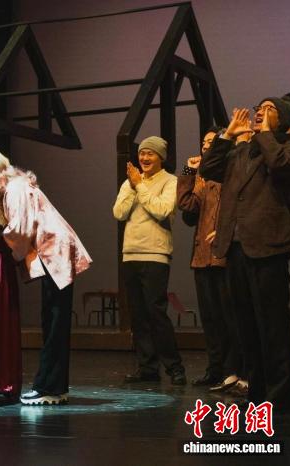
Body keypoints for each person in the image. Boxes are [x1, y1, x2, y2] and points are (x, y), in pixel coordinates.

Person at [200, 98, 290, 407]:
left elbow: (280, 166)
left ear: (288, 119)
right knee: (245, 325)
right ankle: (257, 390)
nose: (260, 112)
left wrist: (265, 133)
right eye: (259, 108)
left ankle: (281, 392)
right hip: (236, 248)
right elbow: (208, 169)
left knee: (272, 325)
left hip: (268, 247)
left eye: (269, 109)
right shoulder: (242, 151)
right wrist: (227, 136)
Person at [0, 147, 92, 405]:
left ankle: (48, 387)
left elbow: (20, 230)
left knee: (55, 321)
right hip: (53, 251)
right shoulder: (15, 186)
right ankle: (55, 385)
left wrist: (4, 236)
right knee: (53, 320)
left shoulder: (15, 189)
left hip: (53, 252)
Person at [112, 136, 186, 385]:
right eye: (142, 153)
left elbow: (162, 210)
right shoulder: (131, 182)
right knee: (138, 314)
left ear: (161, 157)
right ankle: (148, 368)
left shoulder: (170, 181)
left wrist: (140, 186)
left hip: (155, 254)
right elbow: (119, 212)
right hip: (130, 253)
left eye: (150, 154)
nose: (144, 158)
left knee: (156, 312)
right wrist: (134, 186)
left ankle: (175, 367)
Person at [177, 128, 244, 391]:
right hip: (202, 257)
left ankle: (233, 370)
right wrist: (188, 172)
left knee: (230, 318)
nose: (205, 147)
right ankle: (215, 369)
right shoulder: (202, 177)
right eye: (203, 143)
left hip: (225, 256)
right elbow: (187, 206)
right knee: (210, 319)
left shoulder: (231, 172)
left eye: (211, 142)